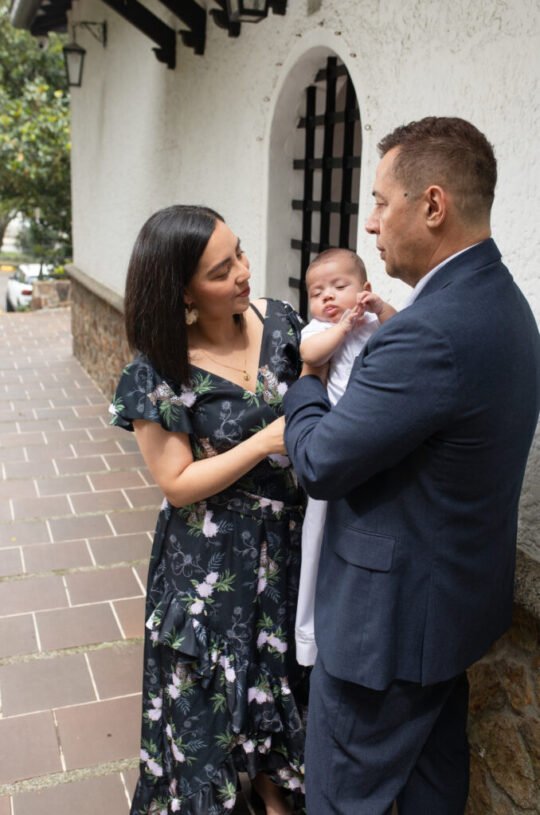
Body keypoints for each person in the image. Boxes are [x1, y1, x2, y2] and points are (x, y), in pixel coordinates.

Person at [283, 117, 540, 814]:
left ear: (432, 205)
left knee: (341, 800)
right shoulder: (503, 302)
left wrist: (306, 380)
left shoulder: (429, 331)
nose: (370, 224)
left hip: (384, 636)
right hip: (446, 618)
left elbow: (321, 462)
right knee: (432, 791)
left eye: (379, 202)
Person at [110, 205, 307, 815]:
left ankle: (274, 791)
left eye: (239, 253)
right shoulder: (156, 370)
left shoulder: (281, 323)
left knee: (277, 675)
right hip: (208, 563)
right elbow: (176, 483)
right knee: (206, 699)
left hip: (288, 544)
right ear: (184, 292)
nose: (244, 272)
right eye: (221, 271)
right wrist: (264, 441)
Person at [295, 248, 395, 666]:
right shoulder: (318, 329)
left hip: (374, 437)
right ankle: (308, 636)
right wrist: (341, 327)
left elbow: (403, 331)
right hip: (334, 442)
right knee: (318, 531)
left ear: (364, 289)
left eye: (340, 287)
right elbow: (311, 356)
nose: (328, 297)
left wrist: (380, 309)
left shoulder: (373, 320)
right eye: (317, 292)